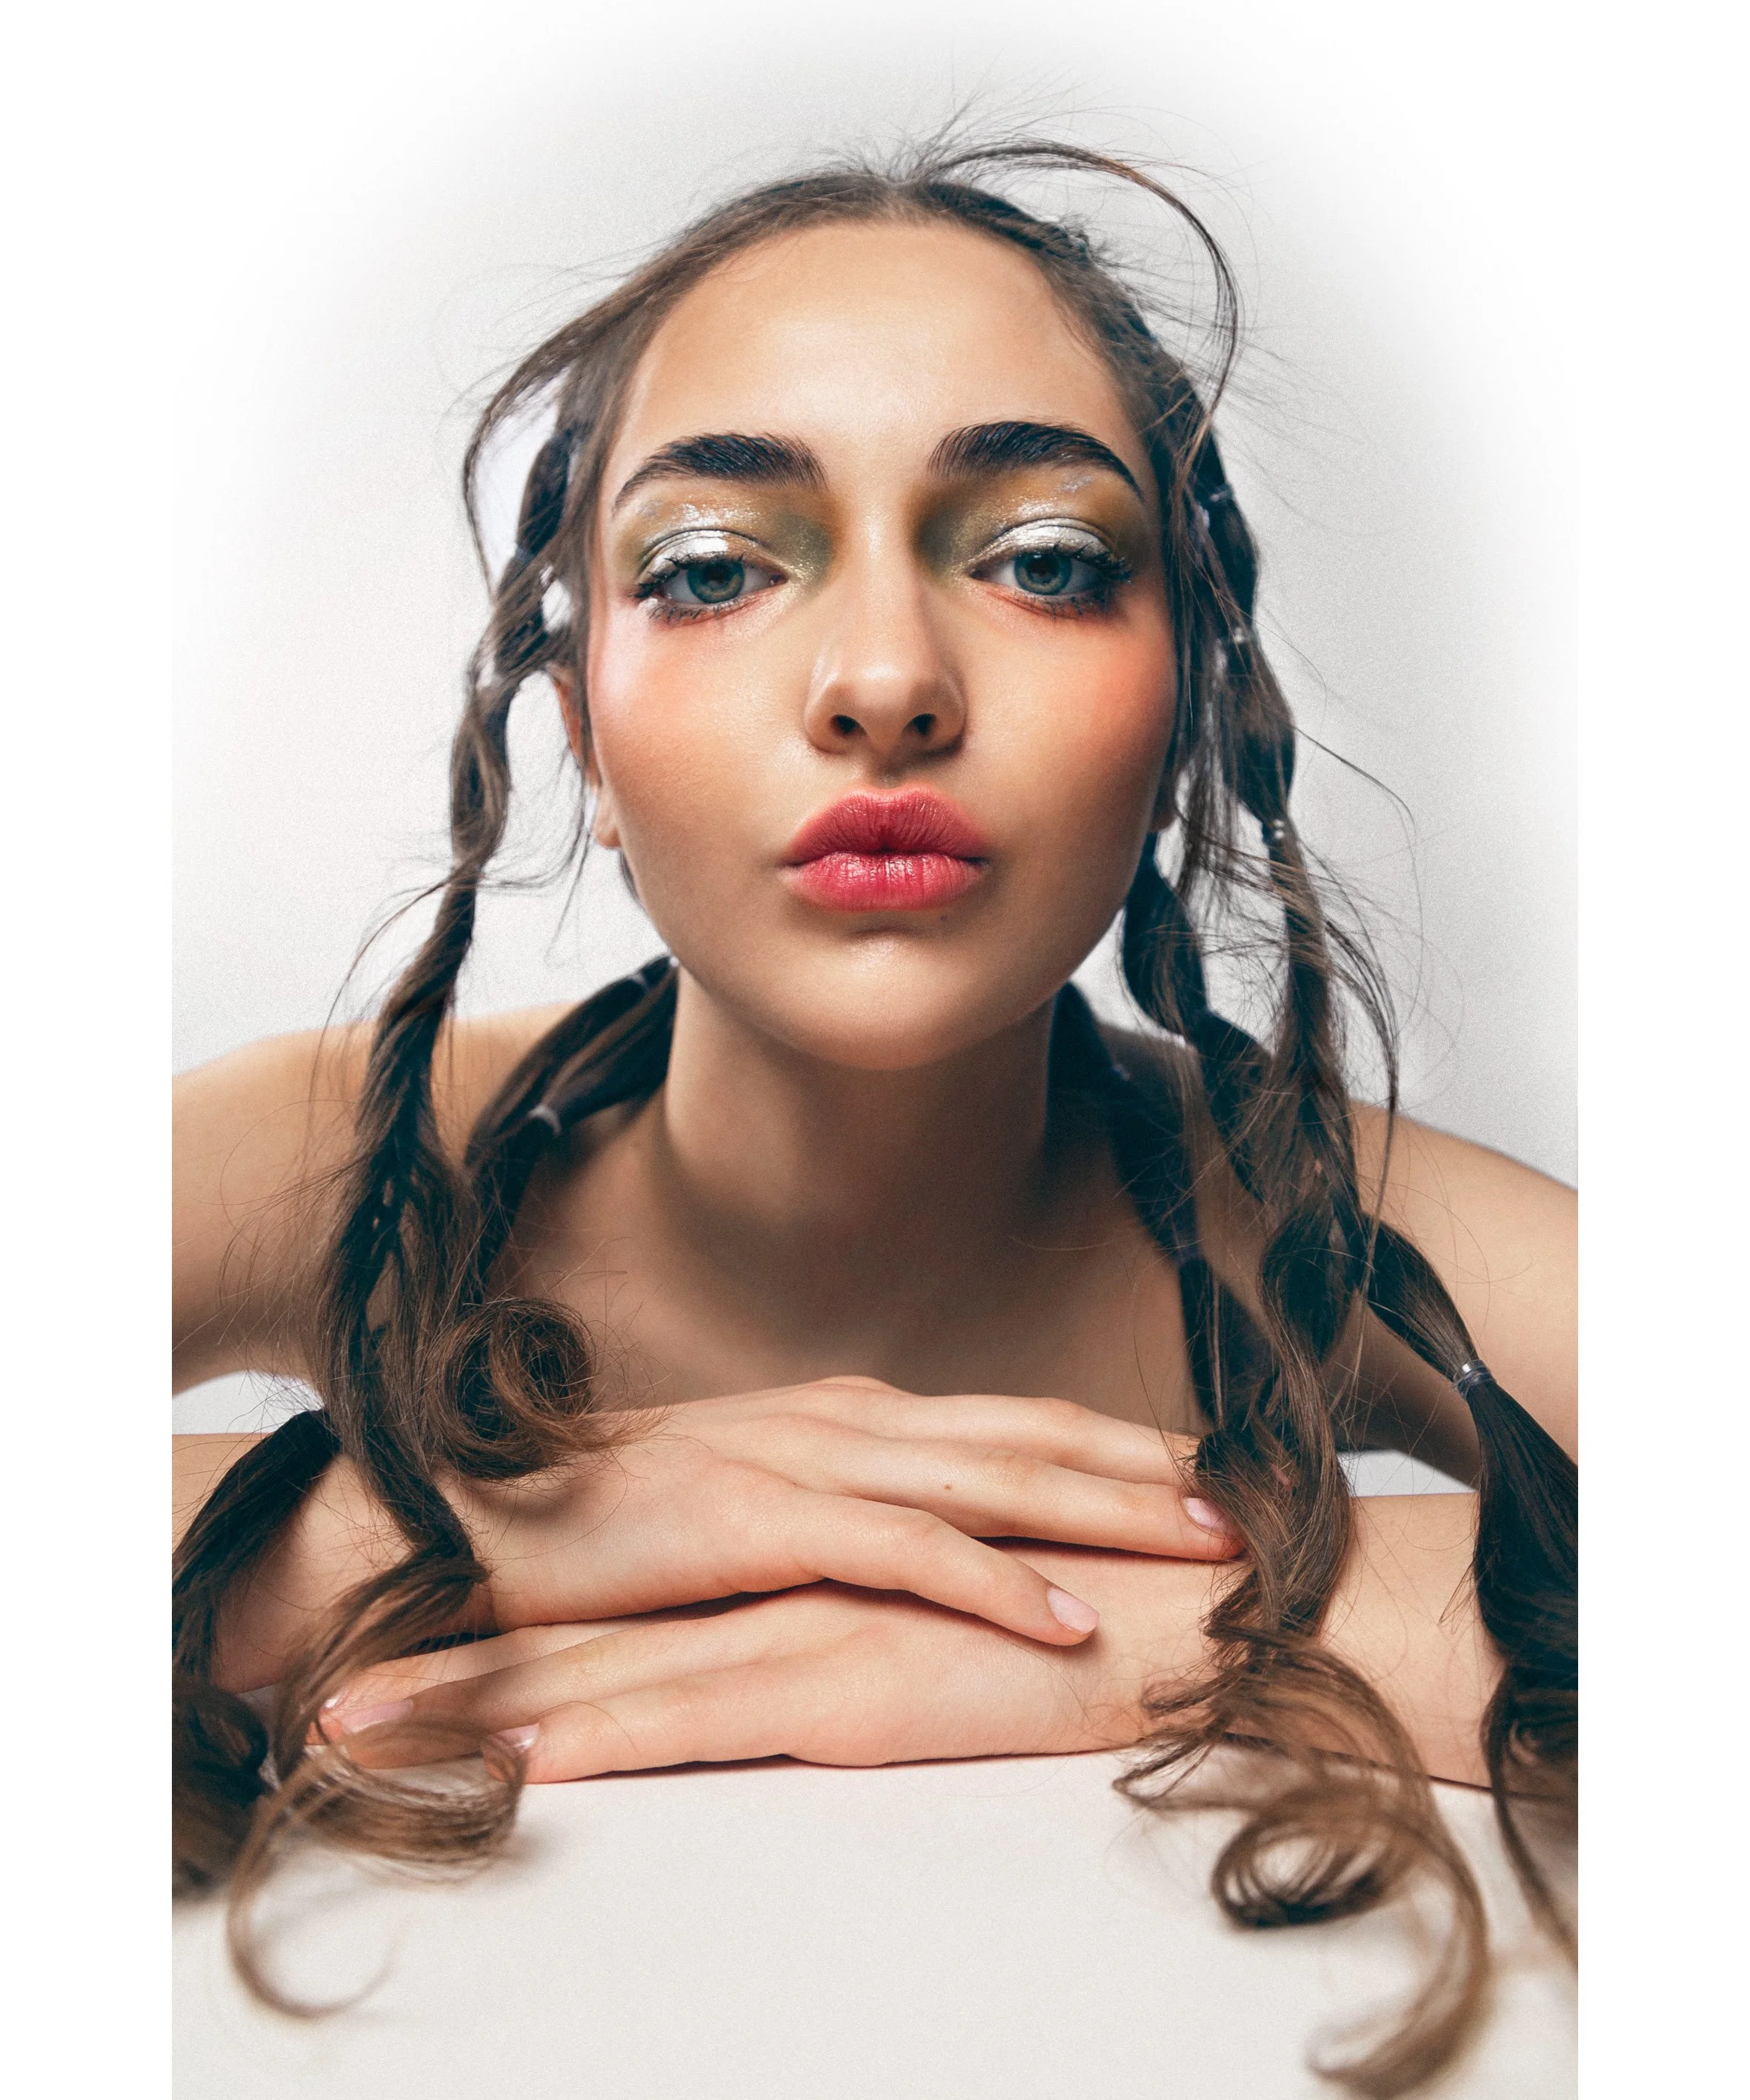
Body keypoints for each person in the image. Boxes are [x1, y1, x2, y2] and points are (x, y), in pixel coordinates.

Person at [172, 139, 1575, 2098]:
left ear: (1188, 708)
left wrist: (1222, 1622)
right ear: (574, 723)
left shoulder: (1323, 1220)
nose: (888, 682)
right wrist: (429, 1531)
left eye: (1045, 561)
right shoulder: (349, 1161)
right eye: (716, 569)